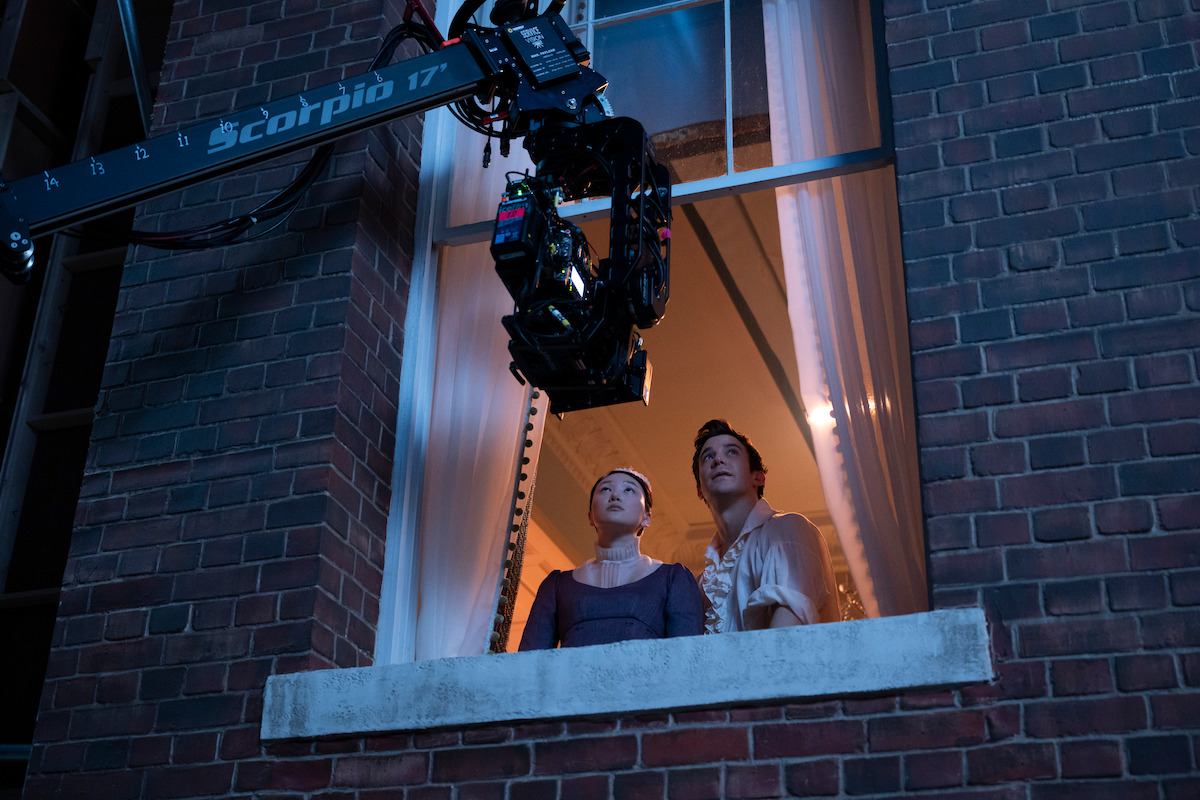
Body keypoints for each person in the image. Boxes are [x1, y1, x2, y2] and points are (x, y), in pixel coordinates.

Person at [518, 468, 704, 649]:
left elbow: (686, 656)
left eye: (628, 489)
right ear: (590, 517)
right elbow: (528, 660)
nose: (615, 496)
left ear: (647, 517)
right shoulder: (556, 585)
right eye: (606, 489)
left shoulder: (673, 578)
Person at [692, 419, 839, 633]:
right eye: (708, 456)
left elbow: (784, 638)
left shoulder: (787, 529)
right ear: (699, 490)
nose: (718, 460)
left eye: (731, 452)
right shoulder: (700, 583)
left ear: (758, 477)